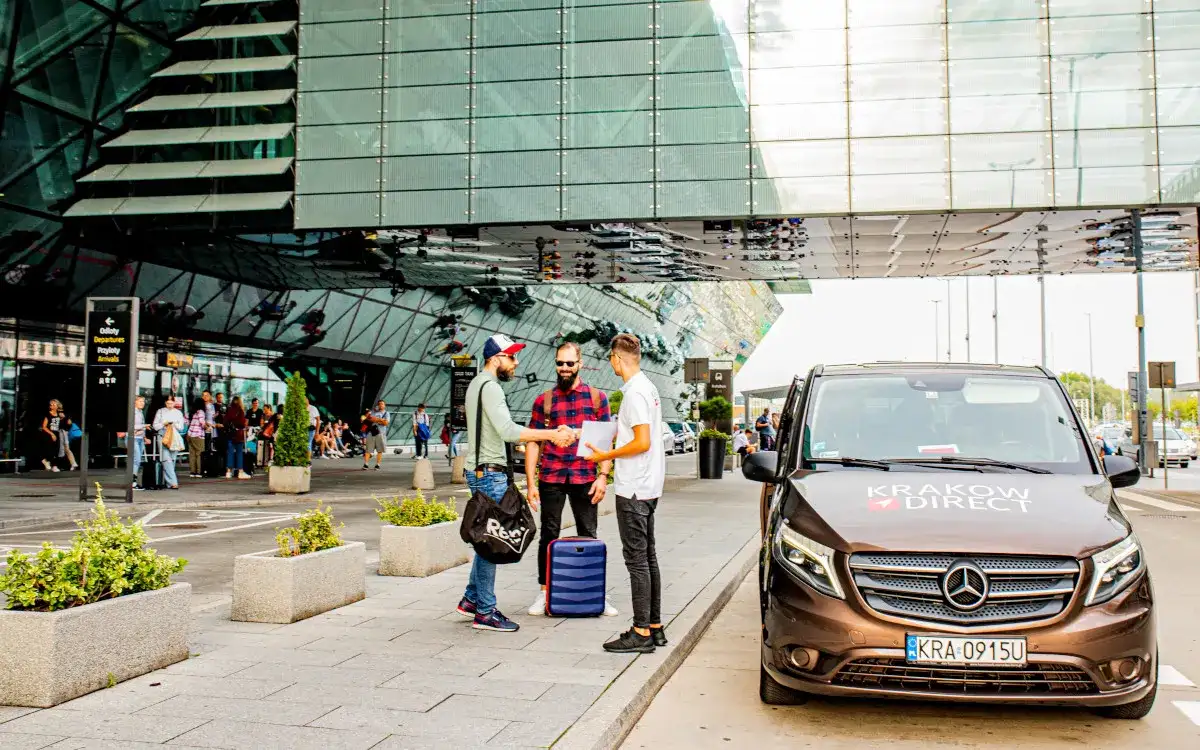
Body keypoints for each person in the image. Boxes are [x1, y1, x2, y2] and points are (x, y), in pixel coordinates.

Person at [455, 333, 578, 633]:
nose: (516, 362)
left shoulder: (476, 384)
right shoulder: (491, 388)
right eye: (511, 356)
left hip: (479, 470)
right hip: (489, 473)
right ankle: (485, 612)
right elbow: (508, 431)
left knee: (485, 537)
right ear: (496, 358)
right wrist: (551, 434)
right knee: (492, 543)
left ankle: (472, 599)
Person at [585, 333, 666, 654]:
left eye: (610, 359)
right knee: (648, 557)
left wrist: (605, 456)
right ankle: (655, 627)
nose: (611, 364)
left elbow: (642, 442)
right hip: (648, 485)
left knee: (637, 561)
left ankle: (641, 632)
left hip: (634, 487)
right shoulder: (649, 388)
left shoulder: (635, 393)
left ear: (617, 358)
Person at [525, 341, 617, 617]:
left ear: (580, 364)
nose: (564, 368)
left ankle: (594, 592)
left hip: (584, 475)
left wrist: (603, 476)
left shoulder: (597, 399)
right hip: (551, 474)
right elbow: (533, 442)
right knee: (548, 533)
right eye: (560, 363)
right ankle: (545, 592)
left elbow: (606, 440)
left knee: (588, 533)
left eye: (569, 363)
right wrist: (530, 483)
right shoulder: (544, 401)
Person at [152, 395, 187, 490]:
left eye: (171, 403)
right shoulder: (160, 411)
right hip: (163, 436)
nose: (170, 405)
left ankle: (167, 482)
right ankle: (173, 482)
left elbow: (181, 427)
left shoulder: (178, 413)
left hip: (174, 437)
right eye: (168, 403)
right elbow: (155, 426)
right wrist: (164, 423)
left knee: (172, 459)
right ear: (165, 403)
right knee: (166, 459)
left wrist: (174, 424)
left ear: (174, 403)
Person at [224, 396, 250, 479]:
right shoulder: (240, 411)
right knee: (239, 453)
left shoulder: (229, 410)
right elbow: (242, 423)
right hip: (238, 434)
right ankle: (240, 472)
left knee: (230, 453)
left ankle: (228, 472)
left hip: (230, 434)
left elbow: (225, 422)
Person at [363, 400, 389, 470]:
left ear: (384, 405)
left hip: (381, 433)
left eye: (382, 404)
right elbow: (370, 419)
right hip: (371, 432)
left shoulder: (386, 413)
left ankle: (377, 464)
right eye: (379, 404)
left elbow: (386, 423)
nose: (381, 405)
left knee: (379, 450)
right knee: (368, 449)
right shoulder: (373, 412)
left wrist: (377, 420)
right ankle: (366, 464)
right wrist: (381, 420)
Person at [39, 399, 62, 472]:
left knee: (56, 450)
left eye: (54, 404)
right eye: (51, 405)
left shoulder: (59, 414)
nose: (52, 406)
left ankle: (54, 465)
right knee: (49, 450)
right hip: (48, 434)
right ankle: (46, 461)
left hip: (57, 433)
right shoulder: (48, 415)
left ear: (57, 406)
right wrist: (52, 434)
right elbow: (44, 427)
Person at [186, 399, 207, 478]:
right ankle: (199, 472)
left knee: (192, 454)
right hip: (198, 435)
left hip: (190, 435)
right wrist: (207, 427)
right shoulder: (201, 412)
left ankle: (192, 472)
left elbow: (186, 421)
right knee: (199, 454)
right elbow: (202, 422)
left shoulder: (191, 412)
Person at [132, 396, 148, 488]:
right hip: (133, 438)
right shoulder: (132, 412)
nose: (142, 403)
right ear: (135, 402)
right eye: (140, 401)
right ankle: (132, 481)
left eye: (143, 401)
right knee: (136, 459)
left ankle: (133, 480)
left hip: (140, 438)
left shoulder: (140, 412)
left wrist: (144, 437)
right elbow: (131, 425)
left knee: (137, 459)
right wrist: (144, 426)